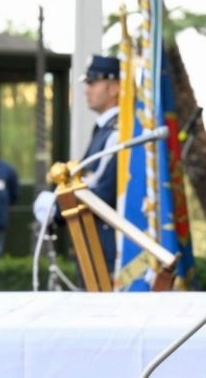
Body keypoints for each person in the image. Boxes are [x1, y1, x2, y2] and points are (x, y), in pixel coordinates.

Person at [79, 54, 120, 277]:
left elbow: (103, 191)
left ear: (114, 88)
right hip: (93, 240)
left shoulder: (119, 131)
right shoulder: (104, 129)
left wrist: (57, 208)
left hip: (108, 244)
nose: (87, 90)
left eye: (93, 83)